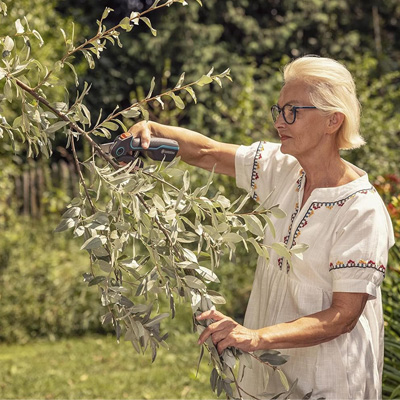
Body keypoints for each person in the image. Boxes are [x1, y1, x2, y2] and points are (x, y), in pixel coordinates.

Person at [125, 55, 395, 399]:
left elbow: (343, 316)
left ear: (333, 120)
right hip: (270, 371)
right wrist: (152, 129)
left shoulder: (360, 210)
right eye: (279, 110)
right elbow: (208, 152)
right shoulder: (284, 169)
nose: (280, 122)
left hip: (331, 380)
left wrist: (256, 337)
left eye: (293, 111)